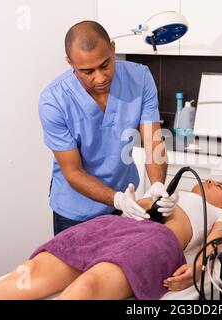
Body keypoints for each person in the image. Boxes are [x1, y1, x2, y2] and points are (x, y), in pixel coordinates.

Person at [39, 20, 178, 235]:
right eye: (87, 71)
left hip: (124, 204)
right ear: (70, 62)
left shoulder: (140, 78)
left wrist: (157, 185)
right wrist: (117, 198)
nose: (100, 77)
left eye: (105, 64)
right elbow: (73, 171)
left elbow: (153, 142)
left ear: (113, 48)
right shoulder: (53, 101)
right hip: (75, 212)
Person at [0, 180, 222, 300]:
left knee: (88, 287)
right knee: (29, 272)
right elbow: (133, 208)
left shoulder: (221, 213)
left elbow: (219, 239)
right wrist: (133, 203)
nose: (208, 181)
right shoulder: (170, 193)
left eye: (219, 185)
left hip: (155, 239)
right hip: (111, 225)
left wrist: (197, 266)